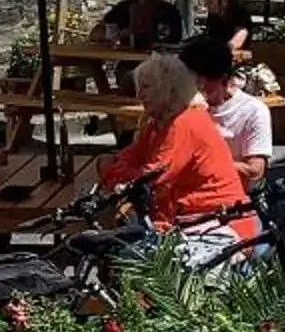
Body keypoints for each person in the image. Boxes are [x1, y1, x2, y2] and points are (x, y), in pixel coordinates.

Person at [99, 50, 258, 254]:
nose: (139, 95)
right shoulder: (157, 124)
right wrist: (115, 168)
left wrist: (112, 170)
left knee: (127, 256)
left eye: (146, 87)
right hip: (188, 224)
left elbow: (150, 181)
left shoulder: (185, 122)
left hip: (219, 226)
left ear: (169, 89)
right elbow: (129, 159)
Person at [180, 31, 272, 189]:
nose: (195, 88)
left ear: (224, 79)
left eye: (201, 83)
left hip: (231, 197)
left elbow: (255, 171)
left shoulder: (253, 111)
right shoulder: (184, 104)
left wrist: (205, 164)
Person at [101, 0, 183, 50]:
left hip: (158, 58)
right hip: (125, 57)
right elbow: (104, 30)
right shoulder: (122, 8)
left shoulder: (168, 11)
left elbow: (175, 40)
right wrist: (120, 34)